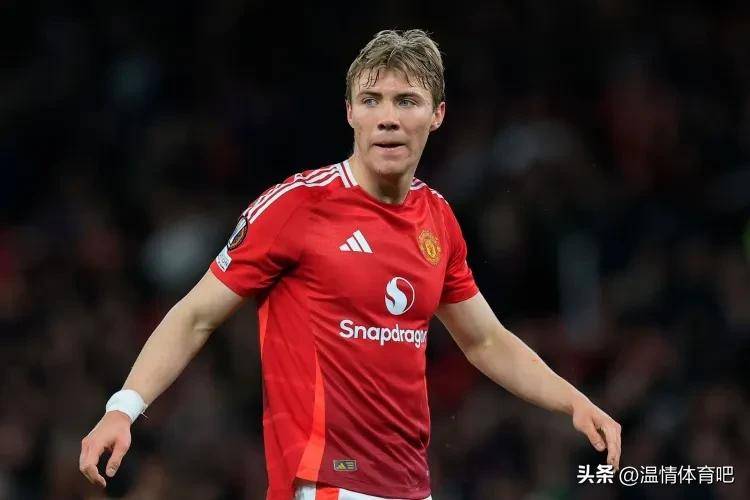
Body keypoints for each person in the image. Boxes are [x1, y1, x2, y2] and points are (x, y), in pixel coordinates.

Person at [79, 29, 622, 500]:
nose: (388, 118)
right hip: (323, 482)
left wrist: (572, 401)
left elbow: (484, 340)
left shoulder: (438, 219)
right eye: (372, 100)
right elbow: (196, 314)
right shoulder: (297, 206)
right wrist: (123, 407)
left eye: (407, 101)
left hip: (410, 485)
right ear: (350, 113)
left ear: (437, 114)